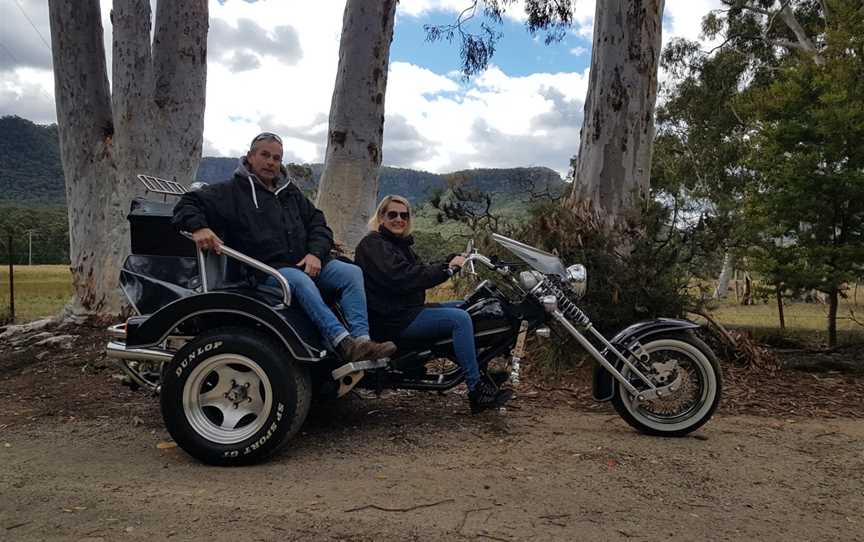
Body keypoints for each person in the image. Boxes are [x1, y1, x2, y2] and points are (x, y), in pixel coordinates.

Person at [172, 132, 396, 363]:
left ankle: (362, 341)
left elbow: (318, 223)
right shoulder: (229, 191)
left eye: (277, 158)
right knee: (298, 281)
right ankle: (342, 342)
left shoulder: (291, 193)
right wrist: (199, 227)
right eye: (265, 155)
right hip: (265, 270)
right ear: (249, 156)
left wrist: (315, 253)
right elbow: (188, 202)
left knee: (351, 272)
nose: (271, 162)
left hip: (306, 262)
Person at [353, 195, 512, 414]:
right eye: (392, 214)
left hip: (407, 312)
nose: (399, 219)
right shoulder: (373, 244)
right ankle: (476, 390)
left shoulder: (399, 245)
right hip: (391, 319)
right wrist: (446, 270)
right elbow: (402, 277)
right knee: (460, 319)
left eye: (404, 215)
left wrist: (448, 261)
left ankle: (479, 373)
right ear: (381, 217)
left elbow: (421, 269)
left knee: (468, 307)